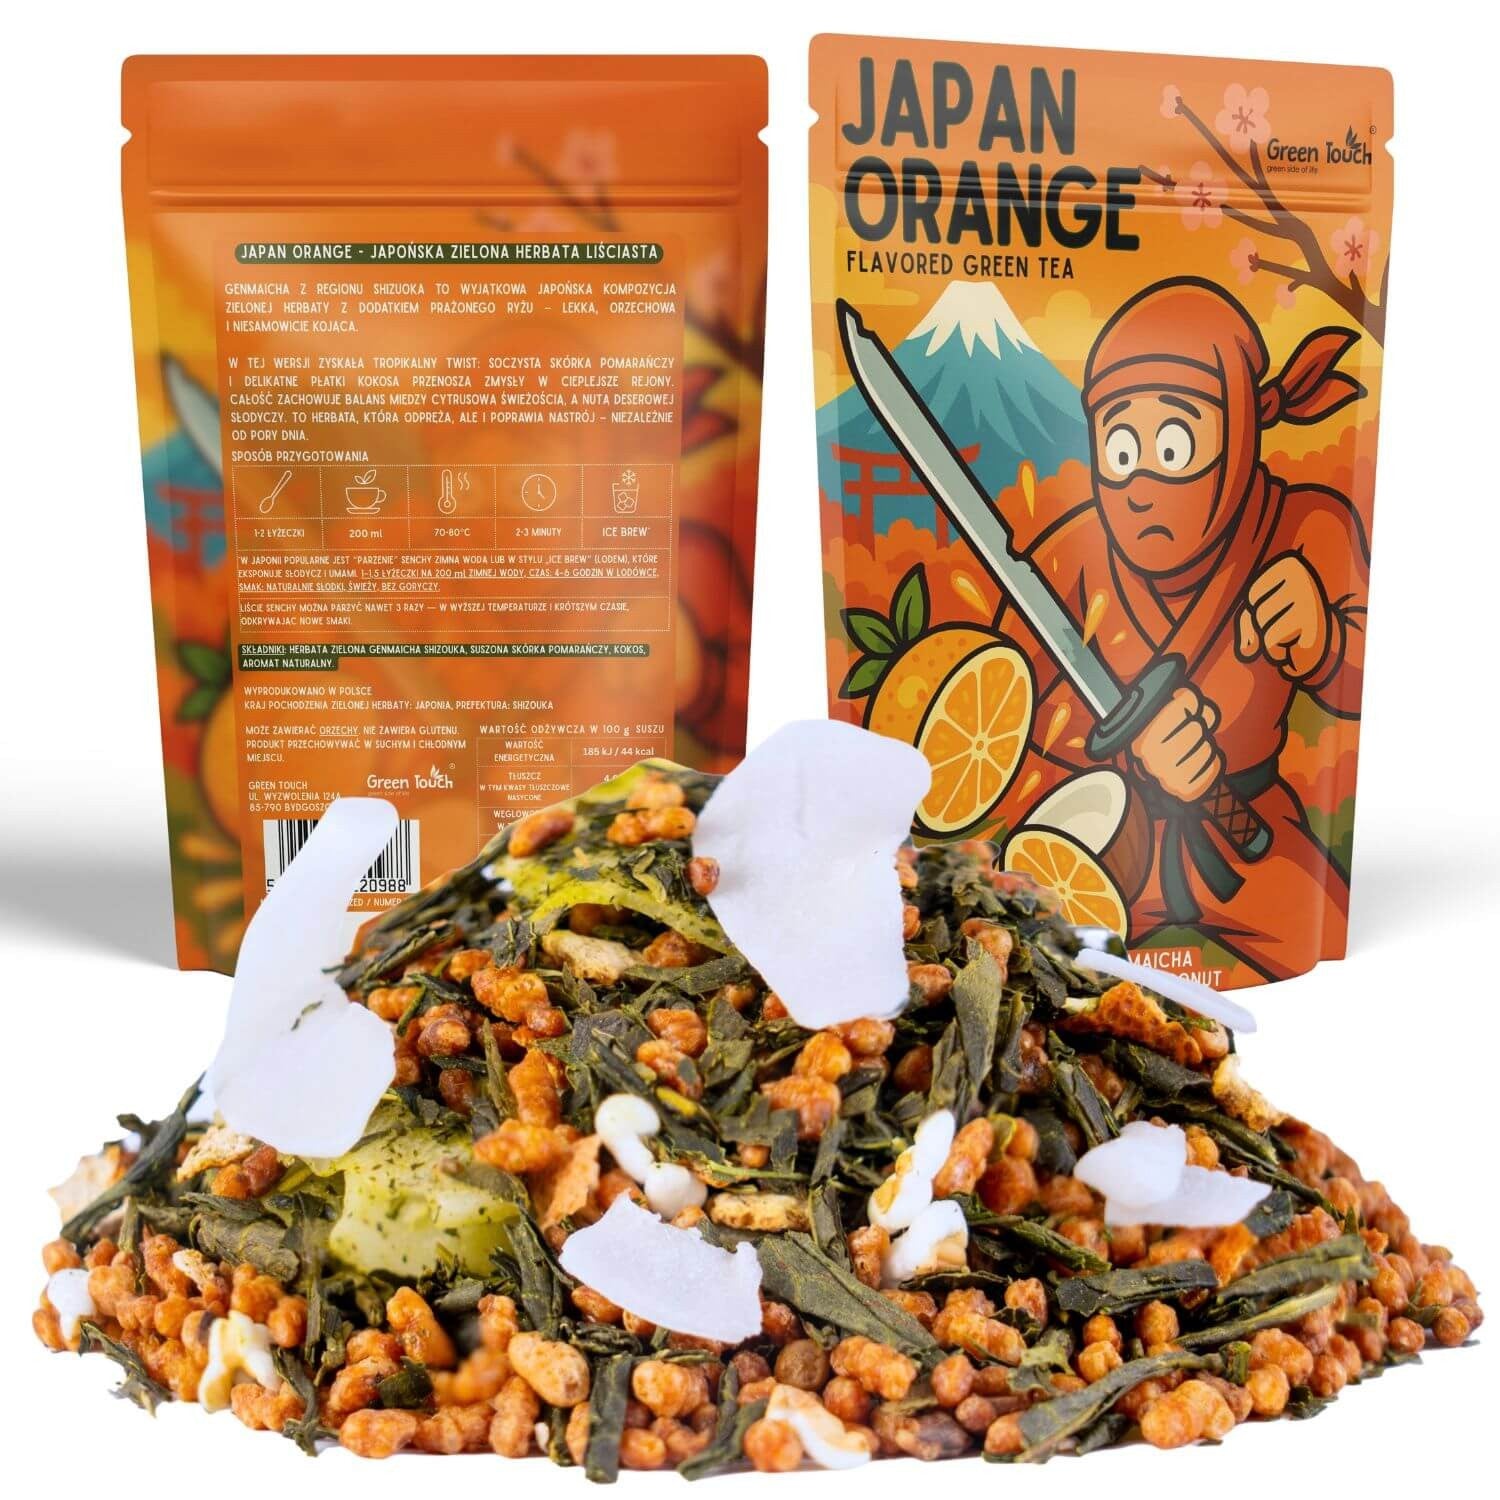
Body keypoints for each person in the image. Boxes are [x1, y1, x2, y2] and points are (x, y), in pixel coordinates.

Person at [999, 277, 1369, 980]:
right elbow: (1010, 711)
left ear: (1241, 428)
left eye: (1173, 446)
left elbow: (1360, 686)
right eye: (1120, 449)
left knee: (1312, 938)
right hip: (1105, 843)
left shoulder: (1302, 527)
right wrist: (1124, 761)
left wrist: (1324, 640)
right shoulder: (1065, 560)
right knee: (1029, 971)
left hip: (1252, 837)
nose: (1140, 486)